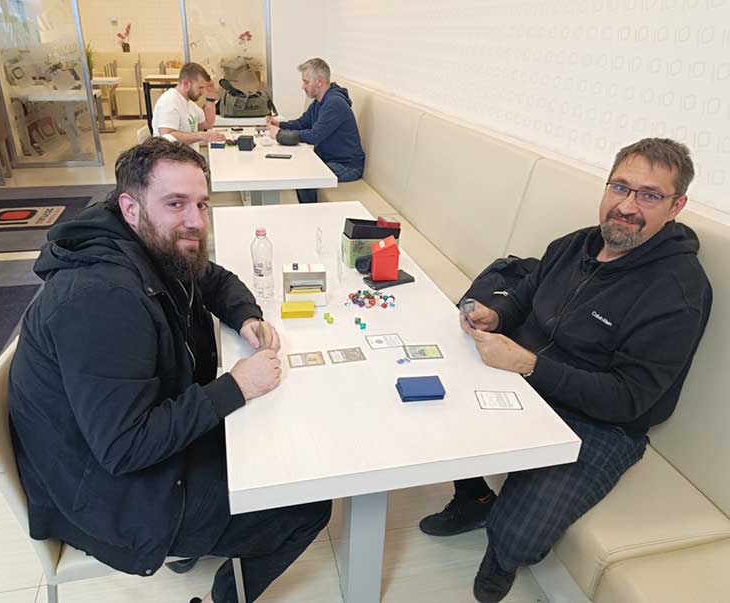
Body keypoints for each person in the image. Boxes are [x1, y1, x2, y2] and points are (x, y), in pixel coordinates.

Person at [8, 139, 331, 603]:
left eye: (202, 204)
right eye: (176, 203)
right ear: (130, 207)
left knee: (271, 442)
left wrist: (245, 316)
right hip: (111, 496)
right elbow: (125, 446)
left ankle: (203, 541)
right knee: (308, 503)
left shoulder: (145, 243)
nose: (196, 220)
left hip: (116, 450)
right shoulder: (102, 298)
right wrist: (236, 386)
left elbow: (213, 279)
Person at [418, 138, 712, 603]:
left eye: (649, 195)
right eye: (620, 187)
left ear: (676, 206)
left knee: (517, 536)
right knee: (434, 406)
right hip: (529, 376)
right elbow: (525, 297)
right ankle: (474, 498)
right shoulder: (574, 244)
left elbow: (629, 399)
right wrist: (496, 316)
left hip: (602, 421)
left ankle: (501, 558)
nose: (627, 206)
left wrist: (528, 364)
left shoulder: (678, 291)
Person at [266, 58, 365, 204]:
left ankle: (309, 212)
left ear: (319, 81)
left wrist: (280, 135)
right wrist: (280, 124)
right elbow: (302, 123)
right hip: (329, 160)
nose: (303, 86)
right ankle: (306, 209)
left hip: (347, 166)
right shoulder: (320, 101)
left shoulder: (334, 103)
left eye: (306, 82)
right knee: (301, 169)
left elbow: (314, 136)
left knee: (305, 174)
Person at [152, 62, 225, 145]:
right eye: (200, 87)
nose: (203, 92)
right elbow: (167, 137)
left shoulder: (189, 103)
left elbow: (207, 123)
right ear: (186, 84)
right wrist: (201, 135)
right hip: (173, 153)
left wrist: (211, 97)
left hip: (188, 152)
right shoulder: (169, 101)